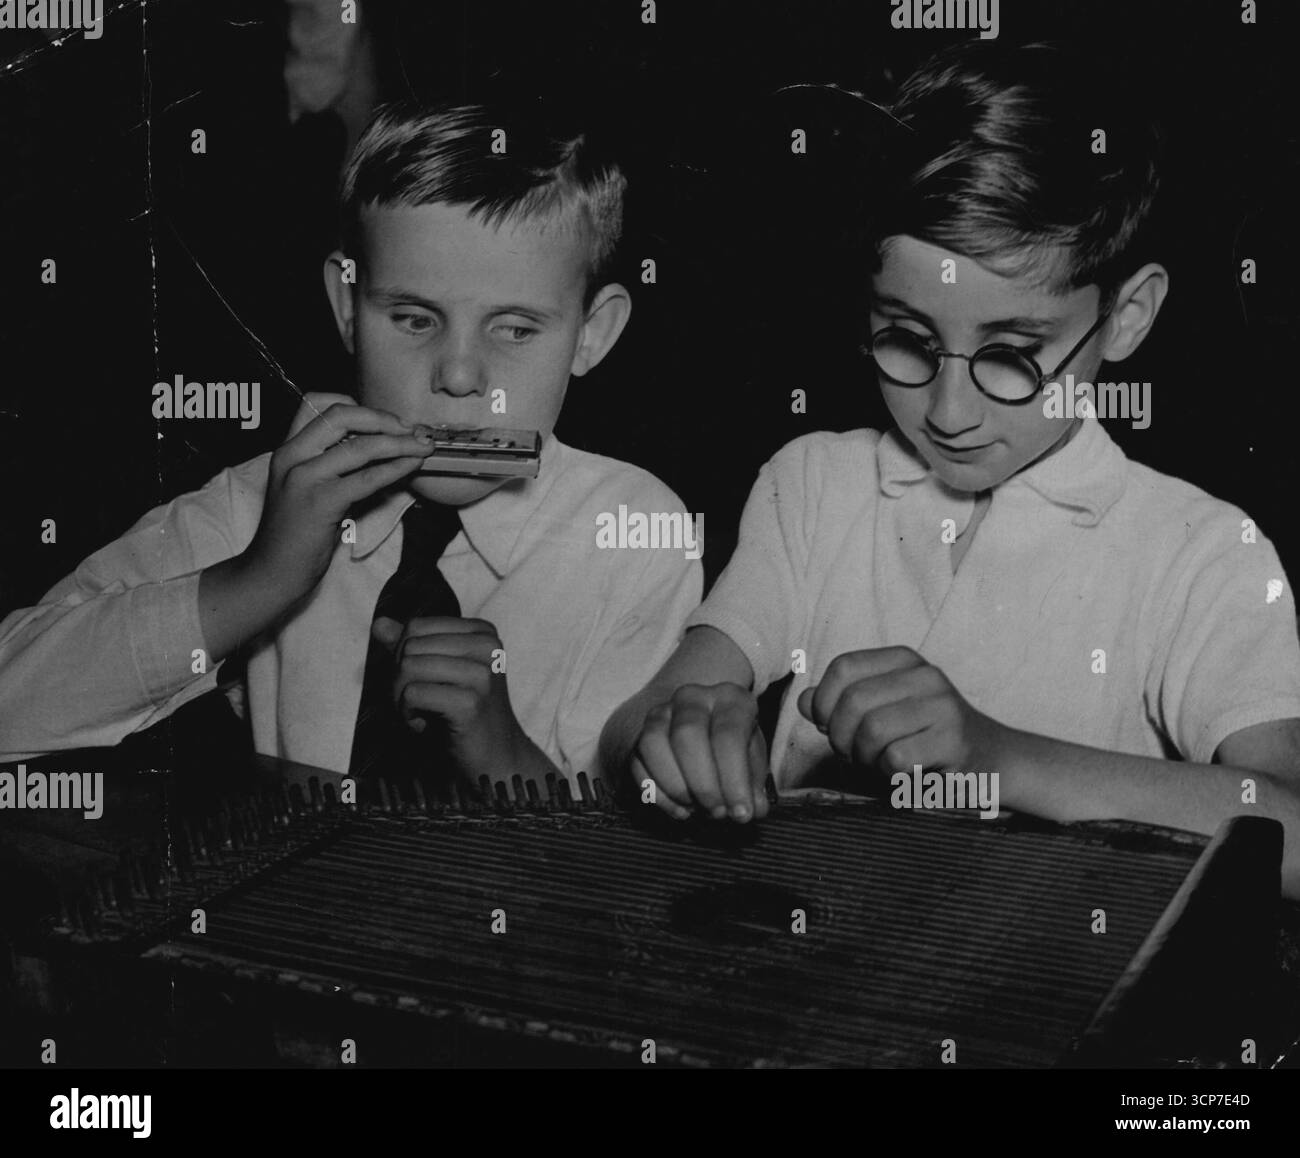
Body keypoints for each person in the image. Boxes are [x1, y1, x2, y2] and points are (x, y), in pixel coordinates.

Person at [599, 41, 1300, 895]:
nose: (949, 411)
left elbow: (1291, 828)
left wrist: (996, 757)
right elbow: (641, 722)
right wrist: (676, 734)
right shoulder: (813, 485)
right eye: (907, 340)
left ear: (1128, 316)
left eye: (1011, 354)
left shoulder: (1202, 551)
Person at [0, 102, 702, 791]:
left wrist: (503, 757)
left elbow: (632, 864)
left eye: (515, 329)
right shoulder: (270, 501)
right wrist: (257, 582)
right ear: (346, 309)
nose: (459, 376)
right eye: (413, 318)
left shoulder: (638, 537)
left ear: (592, 333)